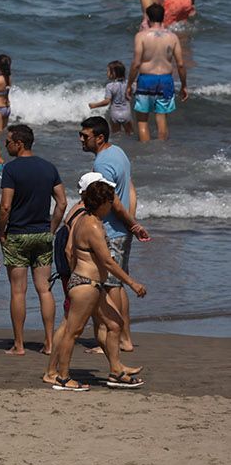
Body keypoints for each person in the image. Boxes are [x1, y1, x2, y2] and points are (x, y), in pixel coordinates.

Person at [43, 177, 147, 390]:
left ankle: (116, 370)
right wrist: (132, 283)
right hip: (86, 285)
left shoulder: (84, 218)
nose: (112, 206)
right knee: (73, 331)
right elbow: (108, 261)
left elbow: (69, 250)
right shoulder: (92, 225)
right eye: (111, 202)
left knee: (114, 324)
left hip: (89, 284)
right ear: (103, 203)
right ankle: (62, 377)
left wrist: (76, 273)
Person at [79, 116, 151, 355]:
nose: (81, 139)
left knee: (111, 287)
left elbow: (114, 201)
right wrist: (131, 223)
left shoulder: (102, 164)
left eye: (85, 136)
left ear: (99, 138)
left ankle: (118, 337)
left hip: (111, 231)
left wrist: (133, 224)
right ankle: (124, 337)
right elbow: (131, 188)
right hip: (121, 229)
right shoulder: (119, 152)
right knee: (117, 285)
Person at [0, 124, 66, 356]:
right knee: (44, 290)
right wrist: (52, 229)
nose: (6, 145)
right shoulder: (48, 167)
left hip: (17, 234)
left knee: (18, 291)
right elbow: (62, 203)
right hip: (42, 233)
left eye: (8, 142)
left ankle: (19, 345)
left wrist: (1, 231)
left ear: (19, 143)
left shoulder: (11, 169)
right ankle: (48, 343)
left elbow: (5, 206)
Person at [126, 3, 188, 141]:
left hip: (146, 79)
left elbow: (136, 64)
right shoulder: (173, 37)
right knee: (162, 119)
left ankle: (146, 153)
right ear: (164, 17)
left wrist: (129, 84)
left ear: (148, 18)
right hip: (165, 80)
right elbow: (181, 65)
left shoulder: (141, 36)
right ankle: (161, 153)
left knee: (142, 121)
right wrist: (184, 85)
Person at [89, 61, 134, 137]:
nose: (107, 73)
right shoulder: (129, 84)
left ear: (113, 73)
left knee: (116, 135)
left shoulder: (110, 86)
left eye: (108, 71)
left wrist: (95, 105)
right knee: (130, 134)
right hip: (127, 113)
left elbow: (107, 101)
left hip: (115, 114)